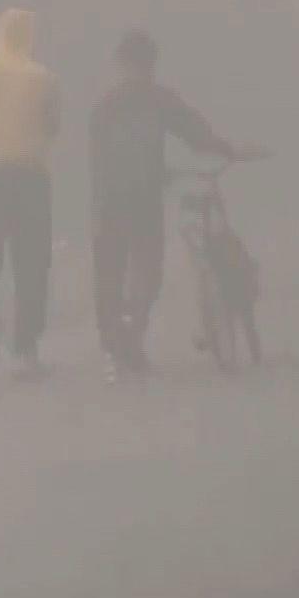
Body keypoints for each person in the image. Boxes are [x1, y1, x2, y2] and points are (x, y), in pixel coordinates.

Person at [89, 29, 244, 378]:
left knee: (110, 275)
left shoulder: (104, 107)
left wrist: (95, 205)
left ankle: (119, 347)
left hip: (111, 201)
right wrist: (227, 150)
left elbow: (96, 162)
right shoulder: (159, 100)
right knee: (148, 271)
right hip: (143, 198)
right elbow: (195, 133)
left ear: (120, 66)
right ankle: (130, 336)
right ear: (151, 67)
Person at [0, 8, 60, 378]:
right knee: (31, 262)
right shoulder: (44, 78)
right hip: (31, 176)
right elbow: (53, 126)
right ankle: (26, 347)